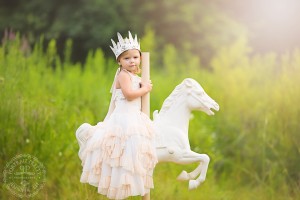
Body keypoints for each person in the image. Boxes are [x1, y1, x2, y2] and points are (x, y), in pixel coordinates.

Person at [75, 31, 157, 200]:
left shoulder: (136, 76)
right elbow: (128, 94)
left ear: (140, 58)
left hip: (135, 118)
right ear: (119, 61)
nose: (132, 61)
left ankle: (136, 182)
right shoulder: (123, 75)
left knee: (136, 153)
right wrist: (145, 89)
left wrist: (142, 85)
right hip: (124, 119)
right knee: (122, 155)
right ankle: (120, 187)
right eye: (127, 58)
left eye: (135, 57)